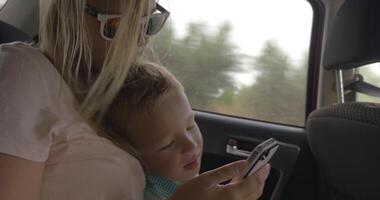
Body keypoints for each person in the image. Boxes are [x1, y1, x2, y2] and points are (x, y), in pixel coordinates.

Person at [0, 0, 270, 200]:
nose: (141, 38)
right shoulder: (24, 74)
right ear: (72, 13)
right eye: (118, 25)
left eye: (149, 21)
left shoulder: (112, 91)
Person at [104, 62, 204, 199]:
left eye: (190, 126)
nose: (191, 145)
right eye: (167, 144)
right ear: (135, 156)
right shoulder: (147, 193)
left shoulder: (179, 177)